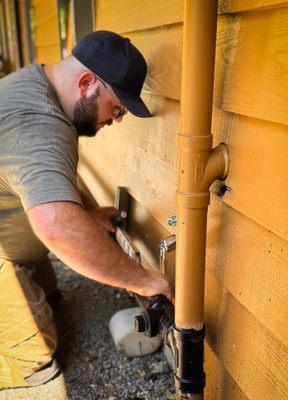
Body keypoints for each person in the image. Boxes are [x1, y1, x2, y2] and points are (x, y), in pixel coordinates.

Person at [0, 30, 172, 389]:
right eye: (118, 106)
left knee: (51, 295)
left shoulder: (35, 82)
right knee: (36, 358)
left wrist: (88, 213)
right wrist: (146, 281)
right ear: (87, 82)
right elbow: (56, 227)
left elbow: (46, 175)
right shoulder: (41, 125)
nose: (118, 117)